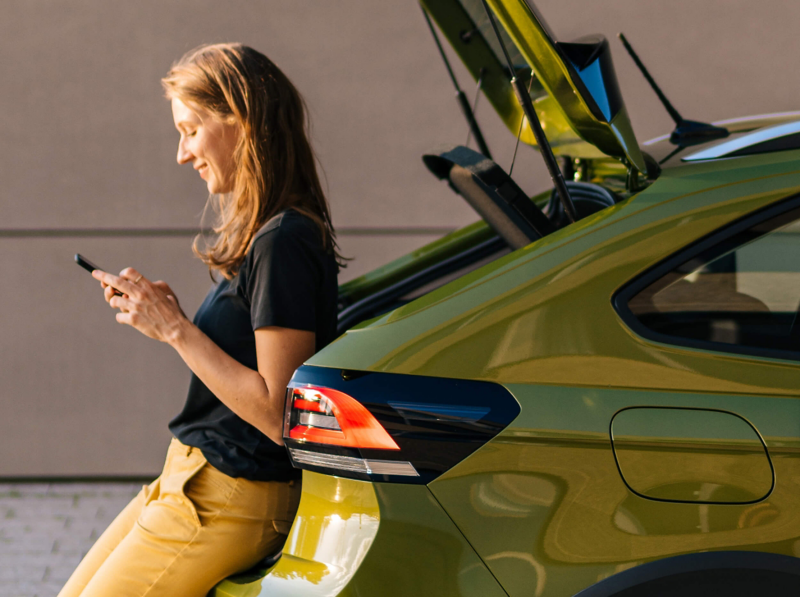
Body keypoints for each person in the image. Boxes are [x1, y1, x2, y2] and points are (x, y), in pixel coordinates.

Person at [58, 43, 341, 597]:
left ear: (240, 119)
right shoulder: (270, 234)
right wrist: (173, 321)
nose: (182, 153)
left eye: (190, 130)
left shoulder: (283, 241)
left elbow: (282, 418)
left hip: (231, 493)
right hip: (193, 480)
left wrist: (176, 329)